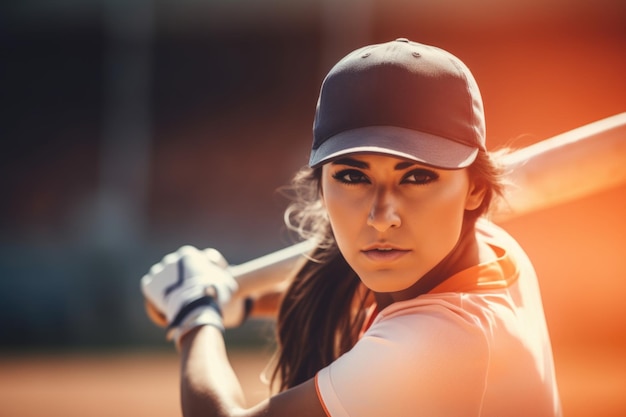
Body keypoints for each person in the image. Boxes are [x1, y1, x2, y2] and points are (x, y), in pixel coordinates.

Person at [141, 38, 562, 417]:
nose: (382, 216)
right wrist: (245, 303)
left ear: (475, 190)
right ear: (321, 186)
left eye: (417, 177)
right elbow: (353, 290)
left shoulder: (436, 344)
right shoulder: (490, 248)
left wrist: (194, 314)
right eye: (352, 176)